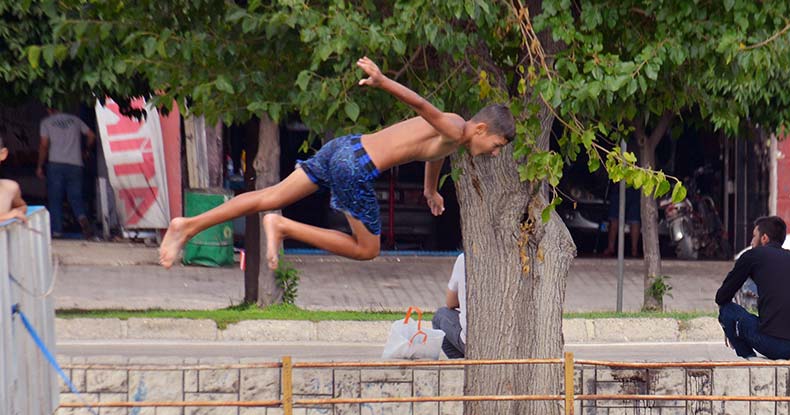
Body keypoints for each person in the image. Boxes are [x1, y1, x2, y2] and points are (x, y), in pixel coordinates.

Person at [158, 56, 515, 269]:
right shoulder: (455, 127)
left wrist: (429, 190)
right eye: (497, 145)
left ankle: (187, 226)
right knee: (368, 249)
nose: (495, 153)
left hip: (343, 148)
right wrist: (383, 81)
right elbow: (422, 105)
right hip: (355, 167)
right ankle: (284, 227)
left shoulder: (453, 134)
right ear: (481, 129)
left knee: (268, 196)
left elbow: (433, 154)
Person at [714, 215, 790, 360]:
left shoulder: (752, 255)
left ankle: (749, 358)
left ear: (764, 238)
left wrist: (731, 329)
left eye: (754, 236)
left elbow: (721, 297)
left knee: (727, 310)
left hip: (772, 345)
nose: (751, 241)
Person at [37, 107, 97, 239]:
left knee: (55, 199)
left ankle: (57, 231)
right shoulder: (75, 120)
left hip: (56, 164)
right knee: (76, 197)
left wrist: (40, 165)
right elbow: (91, 135)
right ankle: (83, 220)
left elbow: (44, 144)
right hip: (76, 164)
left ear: (49, 109)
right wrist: (86, 151)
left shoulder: (46, 122)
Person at [432, 253, 467, 359]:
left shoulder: (464, 258)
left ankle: (462, 361)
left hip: (470, 342)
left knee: (440, 316)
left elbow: (451, 302)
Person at [602, 183, 640, 257]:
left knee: (617, 218)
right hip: (632, 184)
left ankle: (611, 247)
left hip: (622, 184)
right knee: (633, 219)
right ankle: (634, 250)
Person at [0, 135, 29, 223]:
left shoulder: (10, 188)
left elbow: (22, 207)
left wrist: (15, 213)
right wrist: (5, 216)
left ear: (3, 154)